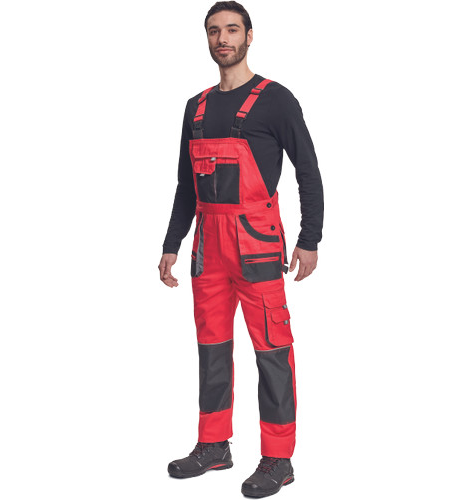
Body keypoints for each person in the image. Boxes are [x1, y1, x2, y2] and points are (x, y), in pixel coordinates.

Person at [159, 1, 323, 497]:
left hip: (257, 244)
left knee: (272, 351)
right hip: (207, 248)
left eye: (232, 29)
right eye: (214, 31)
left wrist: (310, 238)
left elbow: (308, 170)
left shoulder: (276, 100)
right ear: (207, 39)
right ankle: (214, 445)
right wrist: (171, 243)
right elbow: (186, 184)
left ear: (249, 36)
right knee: (211, 348)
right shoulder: (196, 106)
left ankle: (278, 458)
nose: (222, 38)